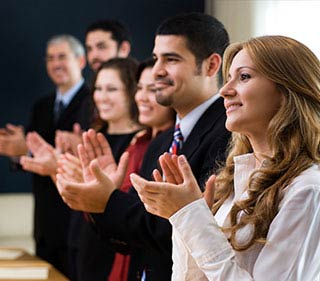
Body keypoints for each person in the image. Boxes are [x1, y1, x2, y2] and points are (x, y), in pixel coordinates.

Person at [56, 12, 231, 280]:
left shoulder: (229, 134)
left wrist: (108, 200)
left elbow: (181, 230)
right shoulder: (161, 142)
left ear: (210, 65)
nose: (157, 69)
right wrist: (100, 199)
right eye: (156, 57)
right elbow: (134, 239)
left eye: (171, 59)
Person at [131, 35, 320, 280]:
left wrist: (191, 216)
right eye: (228, 78)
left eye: (243, 77)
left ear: (286, 90)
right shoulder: (234, 181)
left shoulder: (308, 190)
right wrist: (183, 218)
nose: (224, 90)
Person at [0, 34, 92, 277]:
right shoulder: (42, 105)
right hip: (44, 220)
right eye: (50, 58)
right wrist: (16, 152)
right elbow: (32, 157)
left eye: (62, 56)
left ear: (80, 61)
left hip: (76, 219)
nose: (55, 63)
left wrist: (27, 149)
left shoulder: (94, 102)